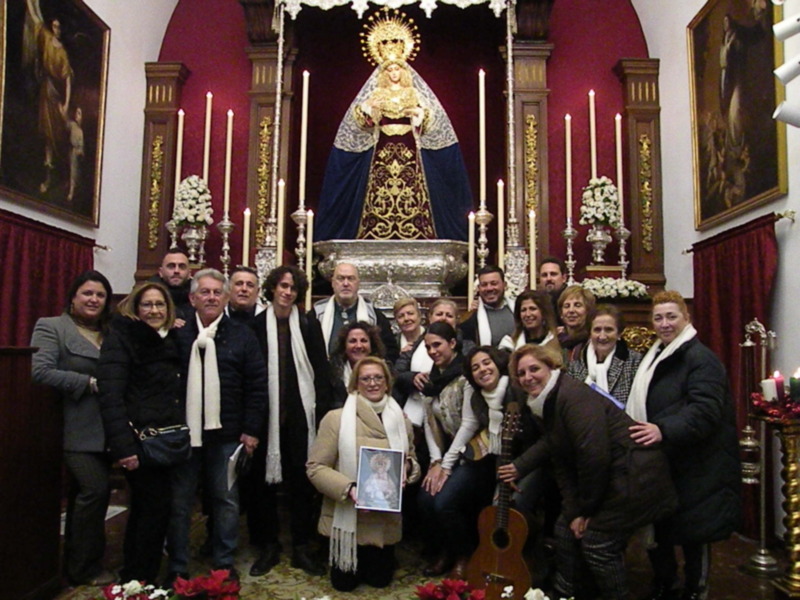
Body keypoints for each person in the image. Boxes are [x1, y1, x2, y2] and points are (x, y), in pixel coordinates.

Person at [503, 344, 677, 600]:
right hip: (614, 478)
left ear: (552, 367)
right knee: (563, 527)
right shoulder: (545, 402)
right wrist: (572, 509)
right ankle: (568, 592)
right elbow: (557, 453)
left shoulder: (572, 397)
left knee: (597, 543)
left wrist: (585, 512)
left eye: (534, 369)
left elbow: (594, 458)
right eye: (521, 373)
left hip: (635, 480)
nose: (528, 377)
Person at [314, 10, 471, 242]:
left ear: (404, 70)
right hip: (383, 148)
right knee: (377, 190)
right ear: (383, 72)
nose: (394, 73)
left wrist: (418, 114)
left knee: (414, 189)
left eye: (397, 68)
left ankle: (417, 230)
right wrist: (367, 109)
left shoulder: (413, 92)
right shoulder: (376, 93)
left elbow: (429, 120)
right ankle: (375, 231)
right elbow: (363, 122)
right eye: (389, 69)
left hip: (409, 147)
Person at [626, 291, 741, 600]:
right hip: (665, 460)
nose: (665, 324)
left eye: (671, 317)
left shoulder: (701, 358)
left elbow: (705, 410)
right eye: (658, 317)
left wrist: (662, 428)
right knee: (660, 529)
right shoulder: (658, 354)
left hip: (698, 462)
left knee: (695, 533)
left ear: (686, 318)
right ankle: (665, 584)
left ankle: (695, 590)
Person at [168, 268, 268, 582]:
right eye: (205, 292)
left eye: (216, 292)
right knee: (180, 502)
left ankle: (223, 565)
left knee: (226, 501)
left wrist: (251, 430)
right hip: (184, 436)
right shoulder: (177, 334)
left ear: (225, 298)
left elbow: (257, 385)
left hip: (227, 435)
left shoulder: (242, 334)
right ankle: (177, 566)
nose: (211, 297)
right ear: (192, 298)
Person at [307, 357, 420, 591]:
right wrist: (349, 489)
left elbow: (412, 459)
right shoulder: (336, 419)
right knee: (344, 585)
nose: (372, 383)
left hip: (383, 522)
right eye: (365, 378)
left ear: (387, 383)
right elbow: (315, 468)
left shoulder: (402, 421)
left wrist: (406, 469)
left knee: (380, 582)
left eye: (378, 377)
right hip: (348, 520)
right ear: (355, 384)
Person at [30, 270, 115, 586]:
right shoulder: (52, 327)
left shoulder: (109, 331)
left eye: (100, 295)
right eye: (88, 293)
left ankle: (80, 562)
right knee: (95, 490)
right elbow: (39, 371)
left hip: (107, 431)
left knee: (89, 495)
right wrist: (88, 383)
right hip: (74, 428)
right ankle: (83, 567)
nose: (94, 300)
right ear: (73, 297)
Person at [96, 281, 183, 583]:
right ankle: (139, 578)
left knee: (150, 511)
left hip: (164, 440)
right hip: (139, 443)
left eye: (160, 304)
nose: (154, 310)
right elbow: (111, 397)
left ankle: (137, 575)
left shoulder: (170, 337)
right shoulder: (122, 338)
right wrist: (124, 448)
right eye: (147, 304)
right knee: (151, 512)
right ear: (135, 307)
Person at [247, 265, 330, 577]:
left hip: (300, 419)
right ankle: (268, 546)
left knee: (300, 484)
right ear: (272, 289)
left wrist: (319, 418)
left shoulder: (309, 326)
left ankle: (301, 547)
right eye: (282, 286)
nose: (287, 292)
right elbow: (250, 376)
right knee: (263, 486)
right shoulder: (256, 326)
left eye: (293, 288)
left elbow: (320, 373)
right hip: (265, 418)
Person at [419, 346, 528, 578]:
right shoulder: (476, 393)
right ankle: (449, 552)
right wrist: (441, 464)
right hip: (479, 456)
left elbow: (533, 437)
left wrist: (516, 471)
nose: (482, 370)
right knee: (430, 499)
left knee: (446, 503)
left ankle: (465, 556)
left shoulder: (516, 390)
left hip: (518, 463)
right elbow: (461, 426)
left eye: (486, 363)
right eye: (475, 367)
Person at [415, 321, 473, 577]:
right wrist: (436, 461)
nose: (432, 351)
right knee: (425, 499)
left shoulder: (466, 375)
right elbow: (430, 422)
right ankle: (444, 551)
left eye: (437, 344)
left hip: (472, 455)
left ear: (452, 343)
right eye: (427, 346)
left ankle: (463, 554)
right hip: (446, 453)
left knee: (444, 503)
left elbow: (470, 424)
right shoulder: (432, 378)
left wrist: (447, 465)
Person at [23, 0, 73, 194]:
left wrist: (67, 104)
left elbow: (67, 79)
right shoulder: (44, 37)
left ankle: (50, 175)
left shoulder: (62, 53)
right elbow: (35, 19)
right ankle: (45, 172)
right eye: (55, 26)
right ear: (52, 26)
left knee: (54, 136)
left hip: (54, 94)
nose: (57, 29)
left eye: (59, 27)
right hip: (45, 90)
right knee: (45, 131)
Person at [311, 262, 398, 362]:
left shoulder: (374, 316)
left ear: (358, 283)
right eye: (340, 278)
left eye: (351, 278)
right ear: (333, 283)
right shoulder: (317, 314)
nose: (346, 283)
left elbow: (390, 352)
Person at [567, 305, 642, 408]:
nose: (602, 336)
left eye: (608, 330)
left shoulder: (634, 361)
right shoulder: (576, 363)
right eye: (597, 330)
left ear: (619, 333)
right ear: (590, 333)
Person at [329, 321, 387, 408]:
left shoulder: (386, 371)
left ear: (372, 346)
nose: (359, 346)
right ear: (344, 346)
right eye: (353, 341)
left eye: (364, 341)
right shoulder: (332, 374)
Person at [461, 265, 516, 347]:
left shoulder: (519, 311)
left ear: (504, 285)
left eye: (494, 283)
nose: (489, 288)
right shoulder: (471, 319)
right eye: (484, 285)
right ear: (479, 288)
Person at [499, 289, 561, 354]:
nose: (527, 314)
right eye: (523, 310)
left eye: (533, 309)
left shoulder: (556, 340)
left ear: (543, 312)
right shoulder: (509, 343)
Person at [150, 247, 193, 319]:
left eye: (182, 267)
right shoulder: (146, 293)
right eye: (171, 266)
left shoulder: (198, 293)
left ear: (189, 273)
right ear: (160, 272)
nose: (176, 271)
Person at [557, 285, 596, 362]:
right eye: (566, 306)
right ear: (561, 314)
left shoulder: (594, 340)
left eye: (577, 305)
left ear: (588, 311)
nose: (571, 310)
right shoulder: (554, 340)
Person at [538, 257, 568, 326]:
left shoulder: (571, 298)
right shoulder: (537, 301)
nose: (549, 279)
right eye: (544, 275)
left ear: (564, 278)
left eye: (553, 274)